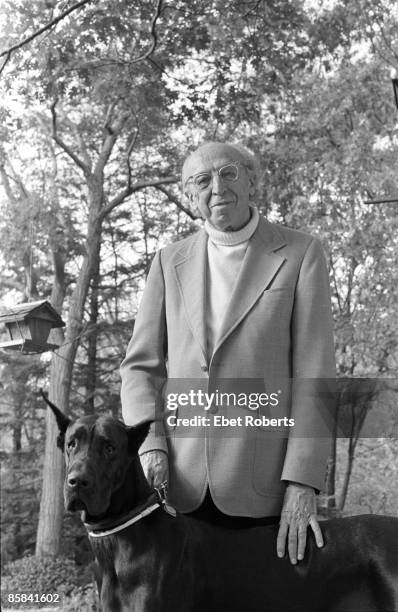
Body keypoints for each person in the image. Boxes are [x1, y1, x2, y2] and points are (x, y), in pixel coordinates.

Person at [120, 141, 336, 565]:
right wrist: (151, 445)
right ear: (190, 195)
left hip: (265, 488)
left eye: (229, 173)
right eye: (202, 180)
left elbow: (316, 377)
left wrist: (303, 481)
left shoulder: (301, 254)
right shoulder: (167, 262)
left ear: (251, 180)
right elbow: (140, 367)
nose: (217, 187)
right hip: (177, 487)